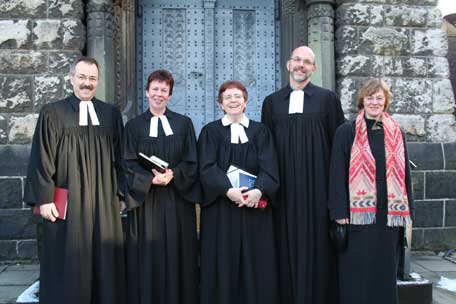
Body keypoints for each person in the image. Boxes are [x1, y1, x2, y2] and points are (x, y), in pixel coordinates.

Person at [24, 57, 126, 304]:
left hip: (103, 199)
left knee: (104, 254)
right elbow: (42, 156)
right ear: (71, 79)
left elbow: (121, 157)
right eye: (81, 77)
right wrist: (44, 198)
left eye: (92, 78)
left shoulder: (110, 114)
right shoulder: (53, 112)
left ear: (98, 81)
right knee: (68, 255)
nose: (87, 83)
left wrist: (122, 195)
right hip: (67, 199)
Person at [261, 46, 345, 304]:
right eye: (297, 60)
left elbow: (339, 145)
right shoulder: (272, 102)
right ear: (288, 64)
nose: (301, 65)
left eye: (307, 62)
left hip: (318, 189)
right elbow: (266, 149)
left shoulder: (328, 99)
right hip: (283, 190)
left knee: (318, 246)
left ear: (314, 69)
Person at [328, 79, 414, 304]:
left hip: (389, 214)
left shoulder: (396, 132)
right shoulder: (346, 132)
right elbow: (336, 173)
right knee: (357, 271)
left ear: (386, 101)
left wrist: (408, 211)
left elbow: (405, 175)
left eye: (379, 98)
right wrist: (339, 212)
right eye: (370, 97)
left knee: (384, 271)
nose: (374, 102)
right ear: (362, 101)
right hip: (357, 213)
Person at [198, 80, 280, 304]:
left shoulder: (260, 131)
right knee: (223, 262)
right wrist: (227, 190)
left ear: (245, 101)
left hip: (255, 210)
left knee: (257, 263)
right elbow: (206, 167)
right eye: (227, 98)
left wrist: (259, 191)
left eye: (237, 97)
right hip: (222, 211)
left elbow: (270, 165)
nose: (233, 101)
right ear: (220, 104)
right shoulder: (210, 132)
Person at [123, 69, 200, 304]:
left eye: (164, 91)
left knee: (180, 252)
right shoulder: (134, 126)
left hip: (177, 200)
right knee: (148, 254)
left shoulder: (184, 124)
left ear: (169, 94)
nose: (159, 94)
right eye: (155, 89)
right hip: (147, 202)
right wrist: (149, 180)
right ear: (147, 92)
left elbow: (192, 160)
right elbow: (126, 163)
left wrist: (174, 174)